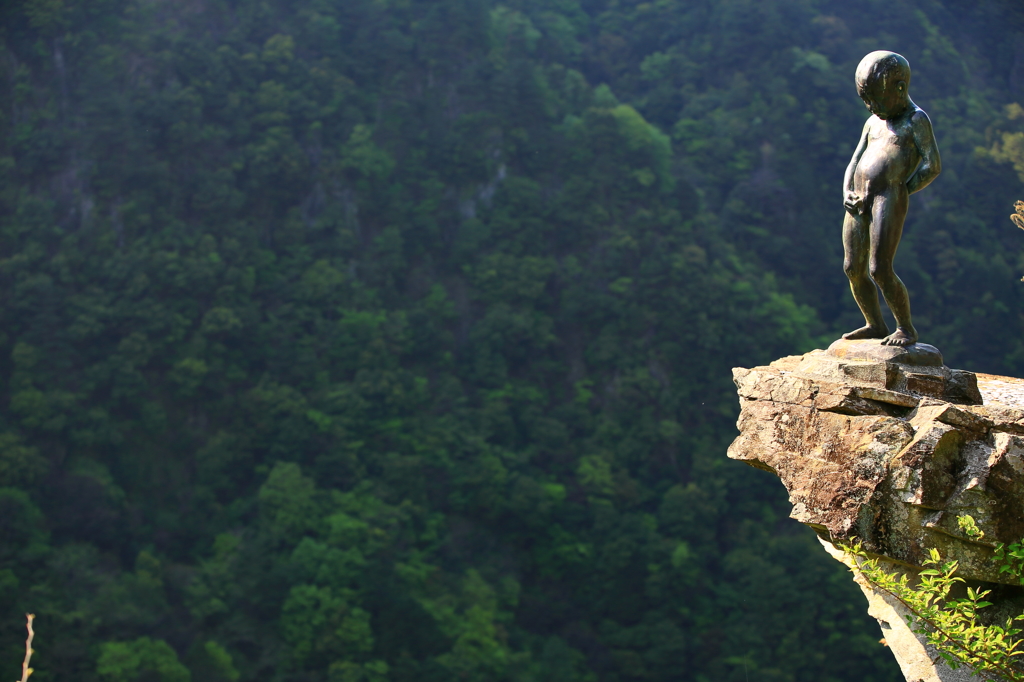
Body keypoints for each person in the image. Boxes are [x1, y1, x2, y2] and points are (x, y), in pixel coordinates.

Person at [841, 51, 941, 347]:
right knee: (852, 267)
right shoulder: (873, 122)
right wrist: (847, 191)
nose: (872, 107)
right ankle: (874, 324)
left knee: (879, 268)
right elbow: (855, 160)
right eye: (866, 100)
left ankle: (906, 329)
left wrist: (901, 189)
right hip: (858, 199)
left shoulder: (916, 120)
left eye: (876, 99)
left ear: (899, 88)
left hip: (889, 197)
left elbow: (931, 165)